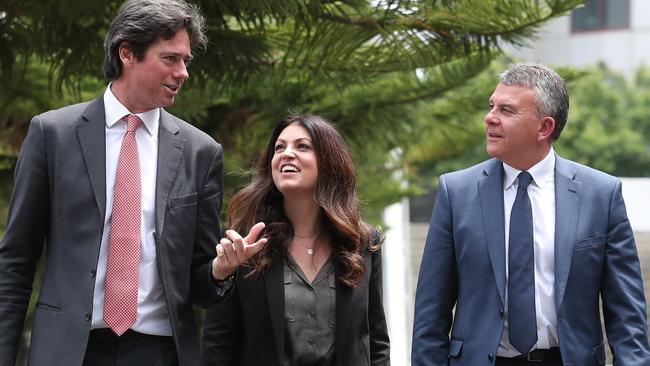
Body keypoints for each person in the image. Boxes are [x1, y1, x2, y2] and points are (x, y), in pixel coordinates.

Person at [0, 1, 263, 365]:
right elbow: (15, 261)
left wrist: (220, 270)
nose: (183, 72)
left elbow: (199, 283)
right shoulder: (52, 135)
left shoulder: (200, 151)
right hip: (67, 351)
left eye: (186, 60)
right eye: (170, 58)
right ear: (127, 53)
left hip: (159, 352)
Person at [412, 63, 650, 365]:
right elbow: (430, 314)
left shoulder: (601, 195)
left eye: (506, 110)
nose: (490, 118)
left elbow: (628, 318)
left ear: (544, 127)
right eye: (491, 106)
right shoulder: (455, 192)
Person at [202, 114, 391, 366]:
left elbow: (376, 343)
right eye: (279, 147)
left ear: (329, 162)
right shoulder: (245, 244)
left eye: (302, 146)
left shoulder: (362, 243)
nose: (286, 154)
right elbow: (219, 343)